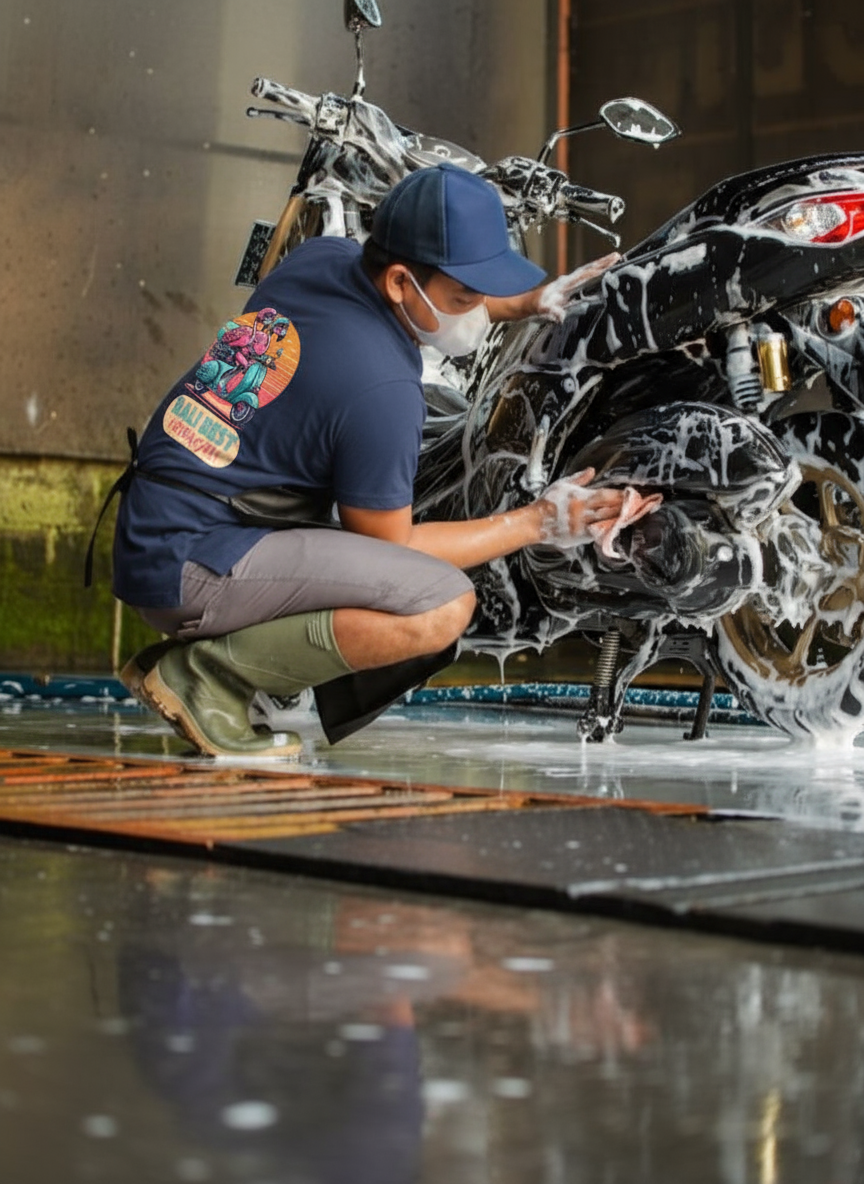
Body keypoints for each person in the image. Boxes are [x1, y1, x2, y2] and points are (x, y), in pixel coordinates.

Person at [113, 162, 625, 757]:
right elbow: (392, 548)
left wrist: (529, 302)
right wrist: (534, 522)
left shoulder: (321, 259)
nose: (480, 310)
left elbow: (417, 301)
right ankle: (206, 679)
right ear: (401, 284)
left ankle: (205, 663)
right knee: (438, 604)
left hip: (161, 523)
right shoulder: (379, 388)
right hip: (194, 563)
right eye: (466, 296)